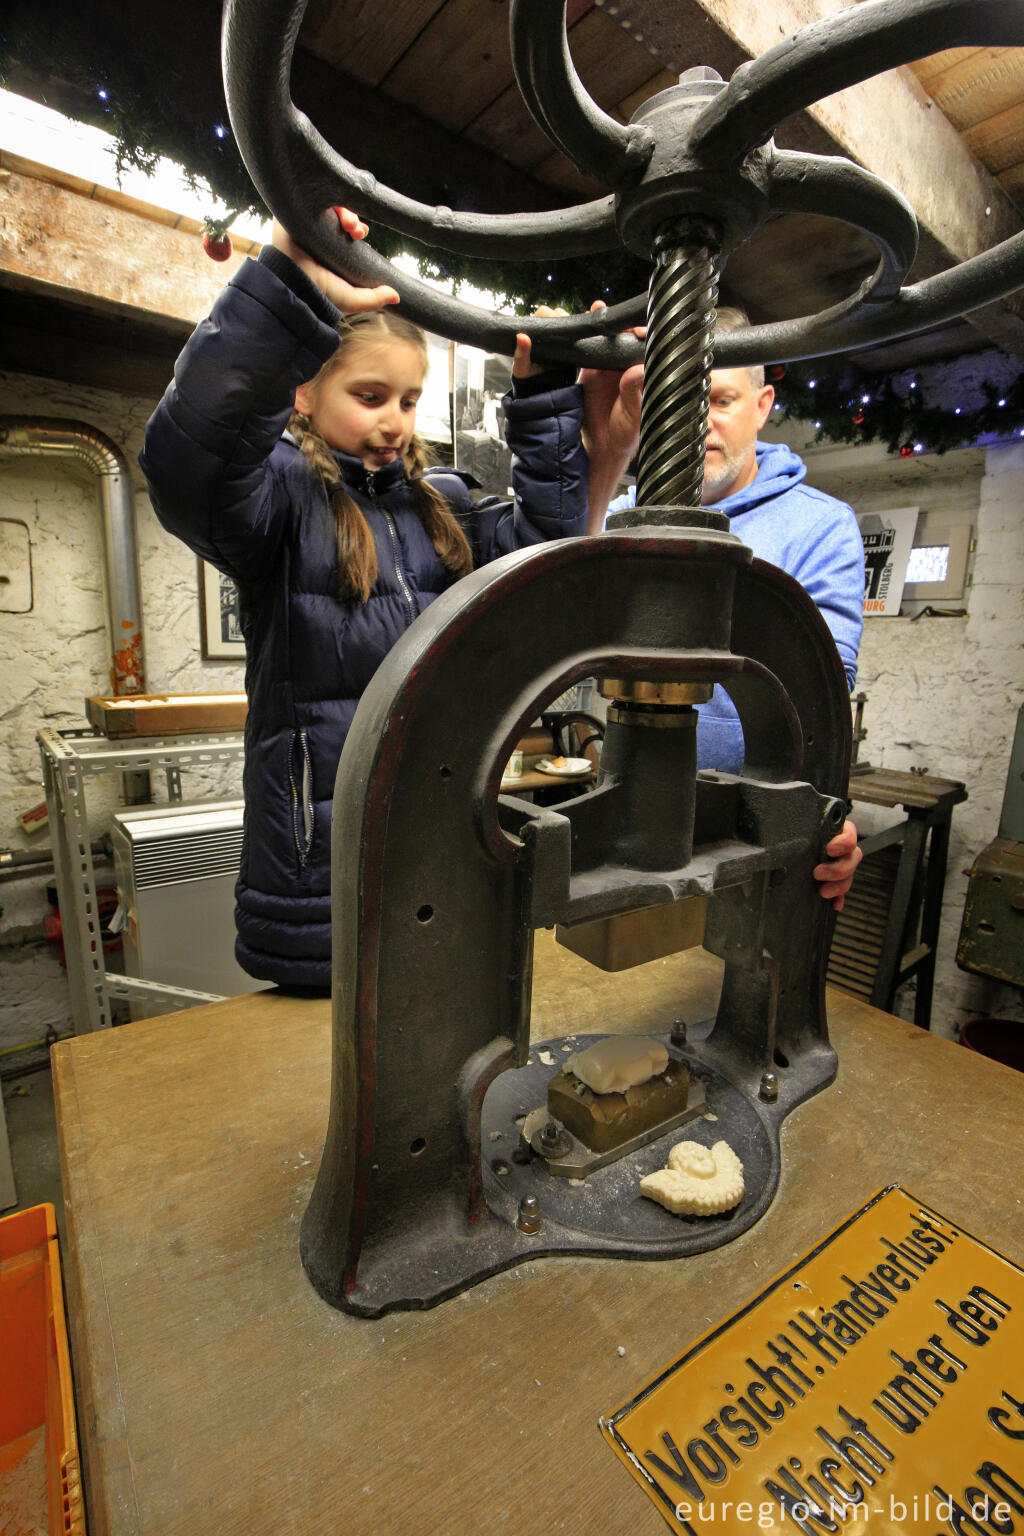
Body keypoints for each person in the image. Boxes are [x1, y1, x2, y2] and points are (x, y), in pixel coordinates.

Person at [140, 211, 588, 989]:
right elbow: (189, 466)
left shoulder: (440, 503)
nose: (395, 422)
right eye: (372, 394)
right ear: (305, 393)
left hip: (439, 839)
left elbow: (544, 556)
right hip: (321, 866)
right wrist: (279, 290)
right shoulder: (280, 496)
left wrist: (546, 401)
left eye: (410, 401)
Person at [582, 305, 864, 907]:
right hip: (622, 841)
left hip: (749, 851)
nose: (694, 424)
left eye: (719, 399)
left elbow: (821, 698)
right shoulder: (611, 516)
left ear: (762, 406)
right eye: (674, 404)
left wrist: (823, 813)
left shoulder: (819, 527)